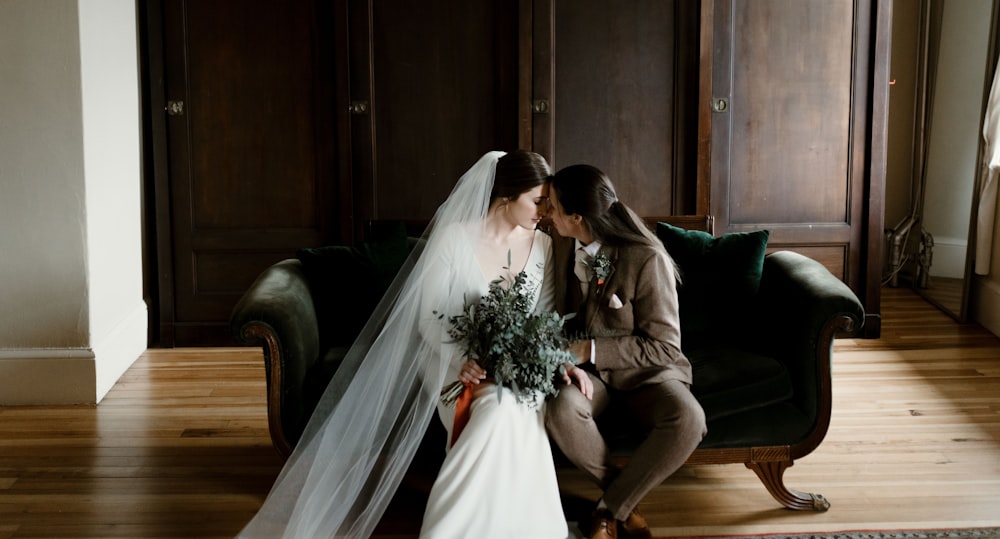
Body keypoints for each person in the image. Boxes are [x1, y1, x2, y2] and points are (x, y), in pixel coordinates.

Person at [239, 150, 582, 539]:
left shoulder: (544, 247)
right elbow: (429, 316)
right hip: (450, 360)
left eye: (547, 202)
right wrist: (465, 360)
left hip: (517, 367)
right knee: (494, 409)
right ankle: (448, 529)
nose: (546, 210)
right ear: (506, 195)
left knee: (515, 408)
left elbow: (544, 317)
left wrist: (543, 360)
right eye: (537, 200)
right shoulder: (454, 238)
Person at [544, 164, 707, 539]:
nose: (547, 214)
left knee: (689, 419)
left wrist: (590, 348)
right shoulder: (556, 247)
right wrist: (564, 361)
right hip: (589, 379)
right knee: (560, 409)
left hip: (648, 377)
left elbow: (665, 346)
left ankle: (607, 510)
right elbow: (550, 318)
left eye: (552, 206)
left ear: (576, 217)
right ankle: (623, 503)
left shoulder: (646, 257)